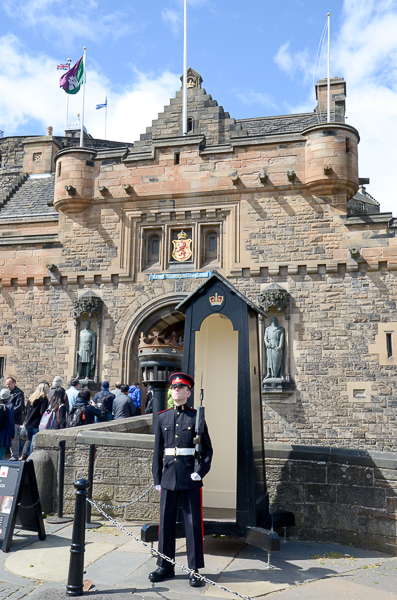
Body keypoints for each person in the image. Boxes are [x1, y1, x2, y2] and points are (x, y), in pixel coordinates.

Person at [149, 372, 213, 587]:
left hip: (189, 476)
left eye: (181, 388)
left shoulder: (196, 417)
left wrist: (200, 471)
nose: (176, 390)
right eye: (174, 388)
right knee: (165, 523)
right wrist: (157, 477)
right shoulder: (162, 417)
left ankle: (194, 569)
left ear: (188, 392)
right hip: (168, 475)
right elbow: (158, 451)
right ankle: (165, 565)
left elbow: (207, 450)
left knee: (192, 524)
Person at [21, 382, 50, 459]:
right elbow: (42, 412)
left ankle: (24, 456)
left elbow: (26, 412)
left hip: (28, 424)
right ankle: (31, 459)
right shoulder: (44, 399)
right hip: (36, 424)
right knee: (33, 444)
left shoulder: (31, 398)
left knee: (29, 441)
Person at [5, 376, 24, 460]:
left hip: (15, 419)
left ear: (14, 383)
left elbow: (19, 407)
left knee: (14, 438)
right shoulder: (8, 393)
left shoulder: (19, 393)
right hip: (8, 419)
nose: (8, 386)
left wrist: (9, 413)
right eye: (7, 384)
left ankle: (15, 455)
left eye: (9, 384)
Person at [0, 389, 15, 460]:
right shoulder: (9, 406)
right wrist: (12, 434)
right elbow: (11, 421)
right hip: (4, 430)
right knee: (2, 449)